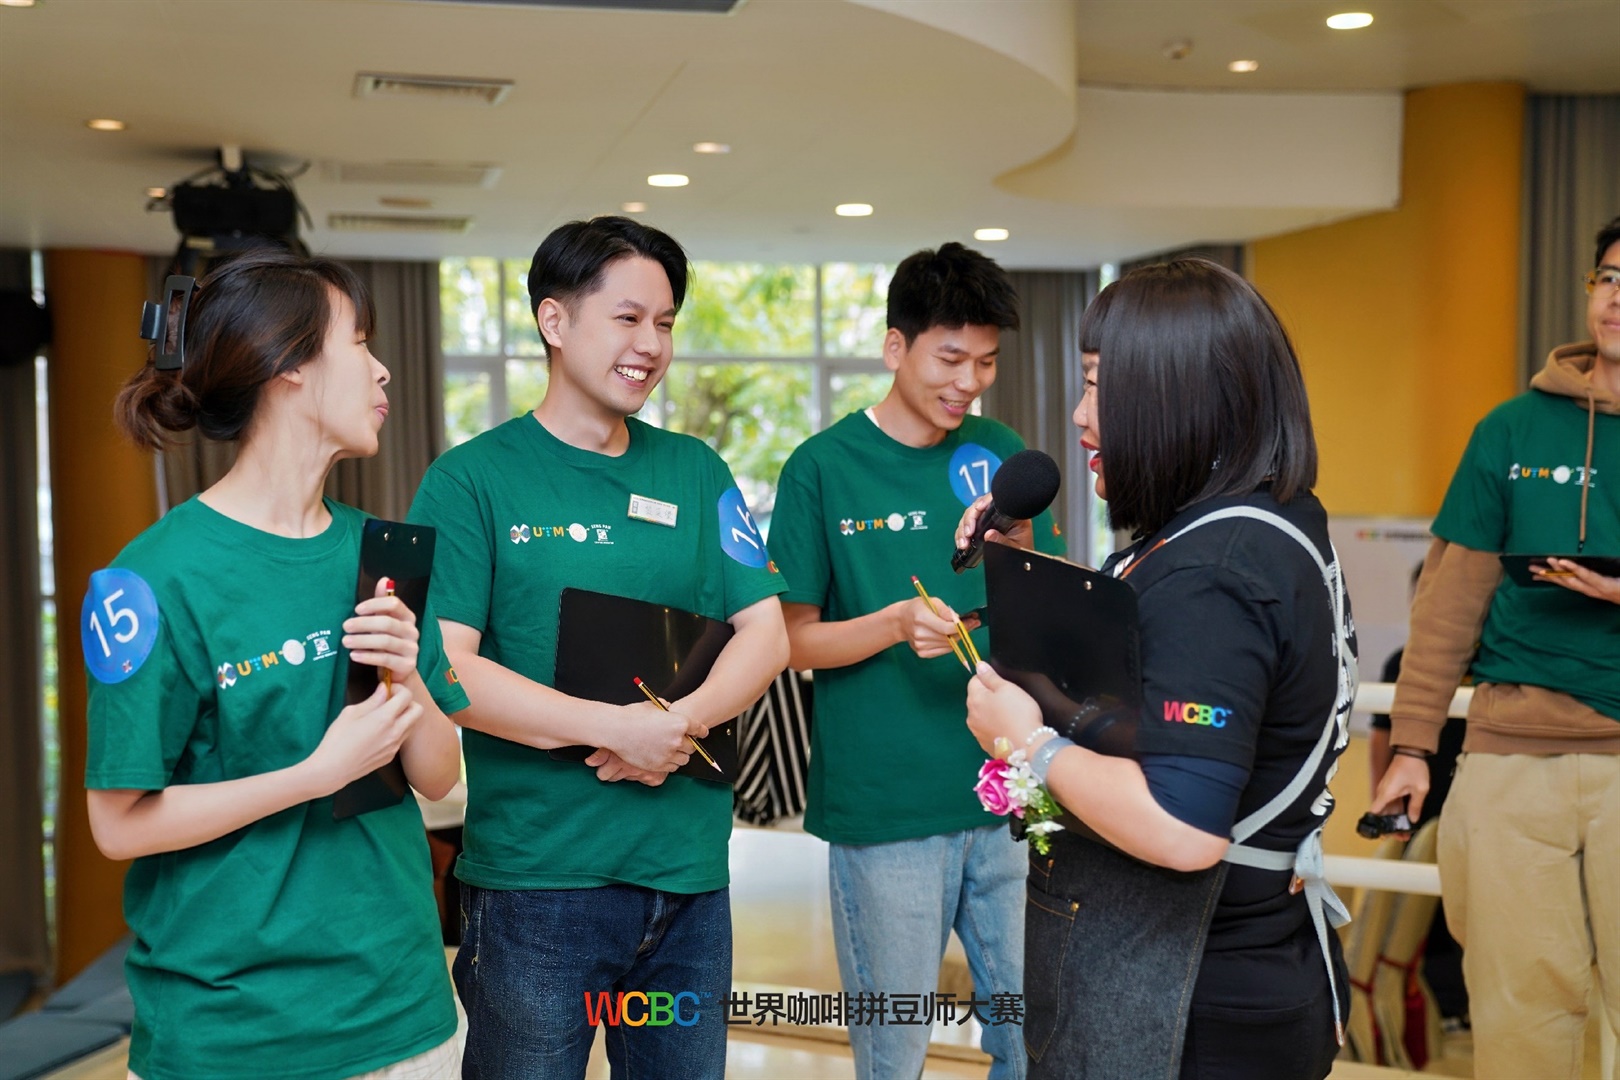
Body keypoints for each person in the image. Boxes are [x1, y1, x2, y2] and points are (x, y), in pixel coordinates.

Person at [407, 216, 789, 1080]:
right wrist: (613, 729)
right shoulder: (471, 480)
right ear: (554, 320)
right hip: (538, 889)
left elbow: (765, 632)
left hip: (688, 884)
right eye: (627, 318)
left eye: (665, 323)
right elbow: (447, 666)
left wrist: (676, 724)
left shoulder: (696, 470)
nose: (650, 344)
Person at [961, 258, 1355, 1079]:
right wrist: (1028, 569)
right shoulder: (1260, 524)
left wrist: (1027, 744)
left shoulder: (1216, 572)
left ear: (1174, 395)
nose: (1080, 416)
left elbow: (1181, 830)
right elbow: (1164, 660)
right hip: (1230, 969)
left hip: (1189, 1002)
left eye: (1096, 386)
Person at [86, 250, 468, 1080]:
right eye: (359, 342)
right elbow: (117, 825)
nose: (383, 369)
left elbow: (439, 776)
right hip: (233, 1036)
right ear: (288, 365)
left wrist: (408, 676)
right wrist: (314, 775)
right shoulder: (151, 581)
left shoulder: (384, 553)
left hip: (404, 1014)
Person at [768, 241, 1062, 1080]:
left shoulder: (1001, 451)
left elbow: (1052, 606)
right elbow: (789, 641)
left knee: (1035, 1040)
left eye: (987, 362)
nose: (970, 381)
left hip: (1014, 792)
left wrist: (1022, 548)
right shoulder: (822, 468)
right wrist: (894, 624)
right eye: (951, 357)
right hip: (886, 810)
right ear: (895, 347)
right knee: (894, 1053)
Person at [1372, 215, 1620, 1079]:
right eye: (1609, 278)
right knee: (1518, 1013)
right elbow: (1448, 604)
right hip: (1511, 758)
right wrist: (1412, 746)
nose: (1617, 298)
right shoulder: (1511, 430)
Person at [1365, 564, 1468, 1029]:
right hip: (1417, 805)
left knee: (1462, 905)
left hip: (1468, 803)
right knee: (1417, 910)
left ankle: (1459, 1003)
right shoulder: (1401, 661)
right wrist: (1381, 800)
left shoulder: (1486, 664)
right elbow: (1380, 737)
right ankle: (1428, 1003)